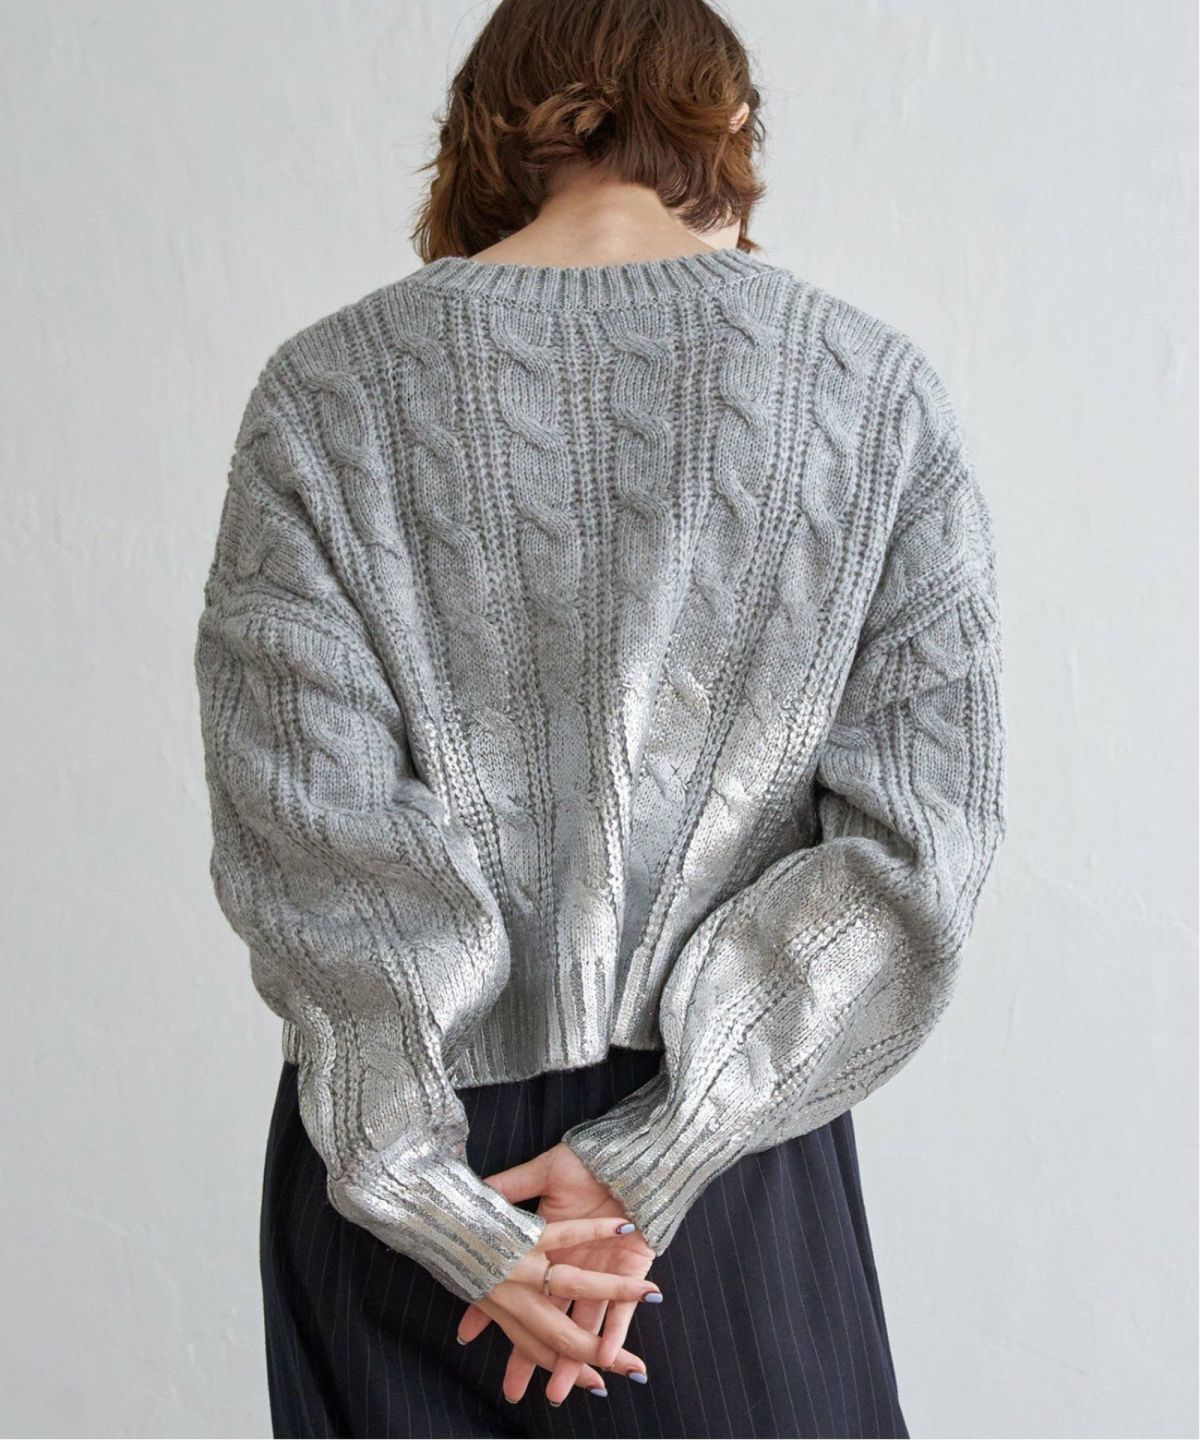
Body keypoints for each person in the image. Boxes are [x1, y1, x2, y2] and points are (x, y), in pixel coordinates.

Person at [192, 0, 1008, 1434]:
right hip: (720, 1150)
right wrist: (657, 1147)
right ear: (726, 122)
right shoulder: (872, 396)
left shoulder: (327, 394)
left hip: (417, 1150)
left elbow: (306, 828)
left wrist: (431, 1196)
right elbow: (917, 845)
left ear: (489, 125)